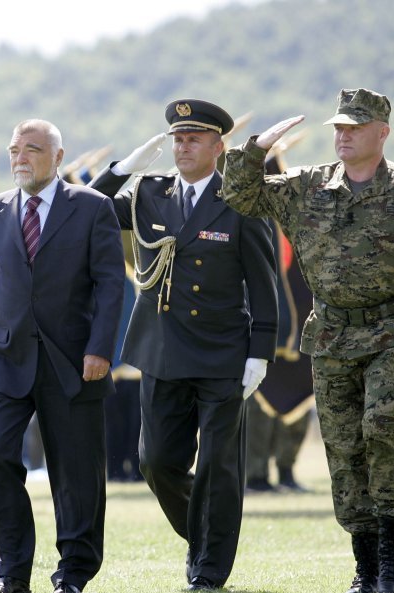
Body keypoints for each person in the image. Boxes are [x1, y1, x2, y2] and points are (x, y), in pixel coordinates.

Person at [222, 88, 394, 593]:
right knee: (343, 447)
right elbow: (239, 194)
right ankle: (366, 565)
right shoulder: (307, 186)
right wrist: (257, 146)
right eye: (338, 126)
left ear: (382, 132)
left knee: (383, 425)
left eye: (355, 127)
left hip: (393, 331)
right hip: (332, 334)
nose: (343, 134)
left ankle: (393, 561)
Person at [89, 99, 278, 590]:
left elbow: (263, 281)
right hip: (162, 349)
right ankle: (206, 536)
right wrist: (123, 169)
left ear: (219, 147)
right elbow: (85, 210)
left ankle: (210, 570)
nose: (182, 146)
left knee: (218, 465)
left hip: (222, 351)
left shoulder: (239, 197)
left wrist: (261, 350)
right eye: (177, 138)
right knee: (157, 463)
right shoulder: (150, 193)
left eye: (194, 139)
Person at [0, 119, 124, 593]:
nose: (20, 158)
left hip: (74, 362)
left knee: (76, 473)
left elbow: (111, 285)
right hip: (5, 360)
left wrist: (100, 349)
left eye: (32, 149)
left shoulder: (92, 208)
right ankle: (11, 571)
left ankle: (73, 572)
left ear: (57, 156)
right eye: (14, 149)